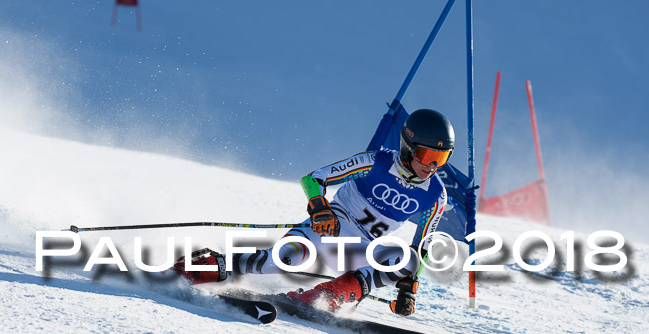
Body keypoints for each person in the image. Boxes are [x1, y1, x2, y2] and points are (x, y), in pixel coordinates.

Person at [174, 109, 454, 316]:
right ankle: (200, 267)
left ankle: (327, 296)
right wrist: (320, 206)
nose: (432, 166)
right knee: (282, 260)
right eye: (428, 156)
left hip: (359, 250)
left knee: (408, 259)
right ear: (408, 147)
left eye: (441, 159)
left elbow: (423, 245)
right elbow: (314, 178)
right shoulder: (376, 162)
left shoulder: (435, 194)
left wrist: (407, 288)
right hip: (330, 226)